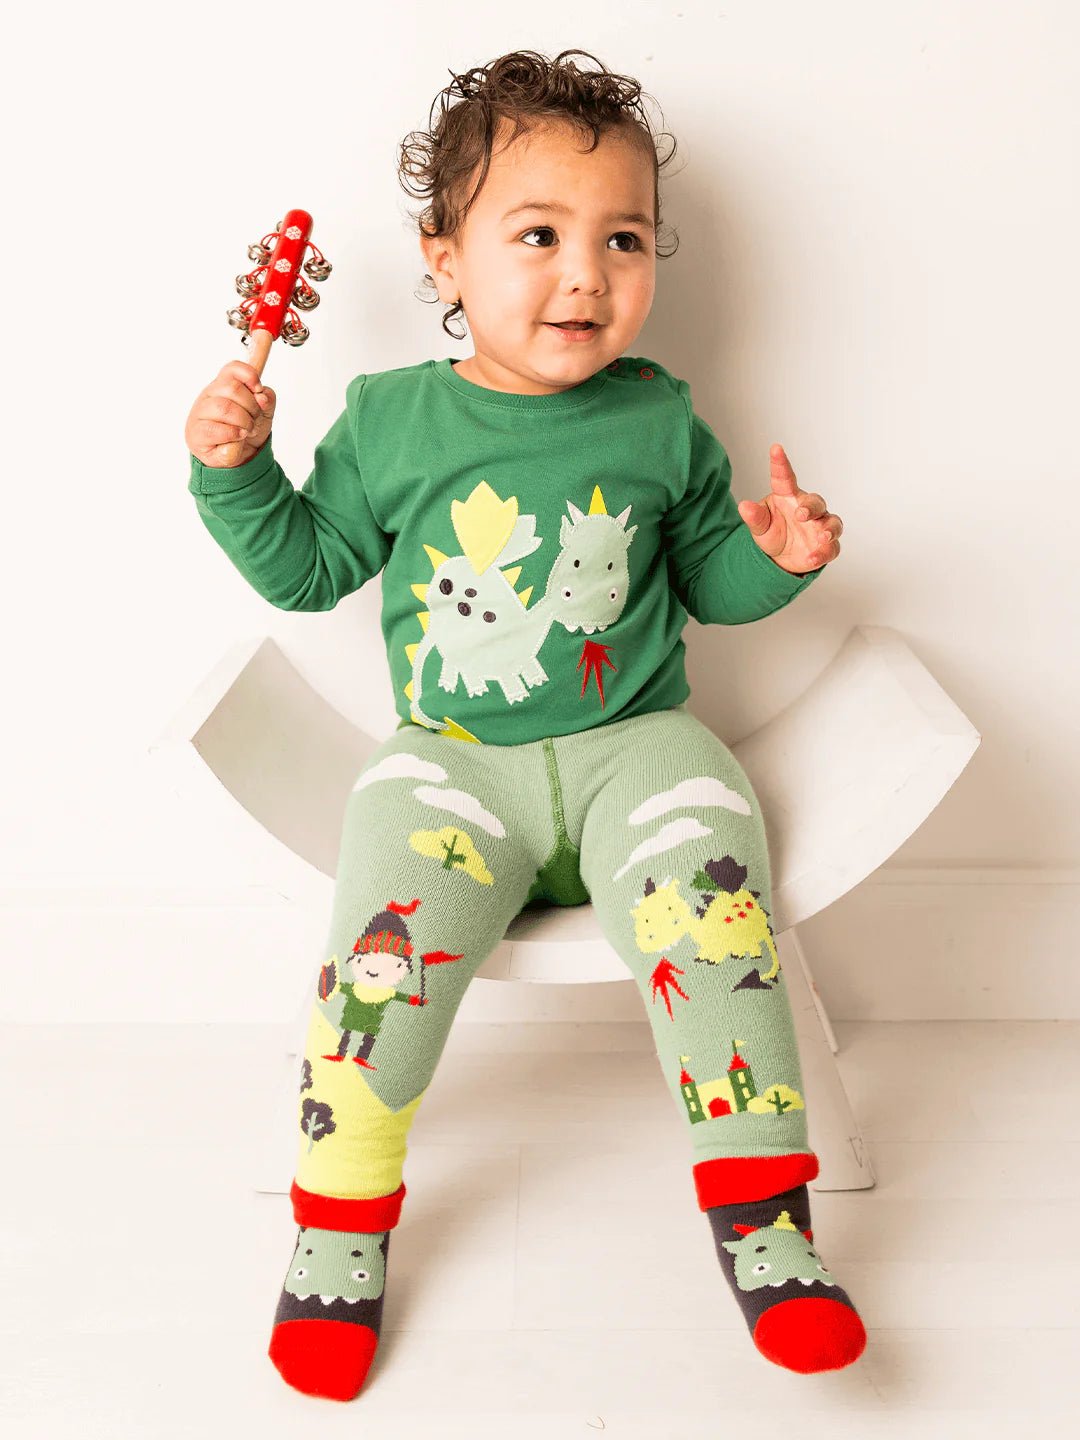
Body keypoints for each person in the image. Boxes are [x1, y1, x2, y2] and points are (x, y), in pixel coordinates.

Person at [183, 48, 861, 1402]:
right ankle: (338, 1220)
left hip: (639, 747)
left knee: (717, 896)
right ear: (443, 258)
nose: (586, 274)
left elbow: (707, 585)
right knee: (382, 950)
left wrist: (774, 558)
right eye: (538, 235)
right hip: (453, 766)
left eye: (624, 240)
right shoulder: (393, 418)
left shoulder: (661, 414)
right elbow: (309, 570)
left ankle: (767, 1225)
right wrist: (237, 471)